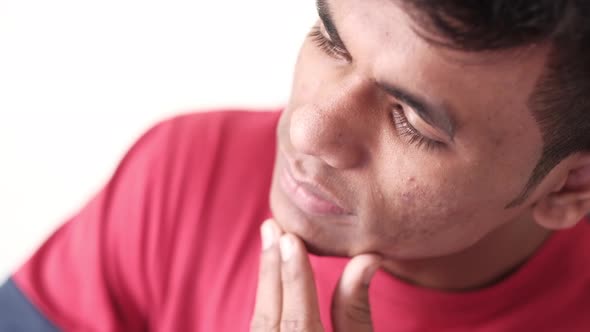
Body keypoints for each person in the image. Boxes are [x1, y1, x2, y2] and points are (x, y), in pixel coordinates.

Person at [1, 0, 589, 331]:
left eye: (414, 121)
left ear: (572, 185)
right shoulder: (192, 172)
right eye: (331, 40)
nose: (308, 128)